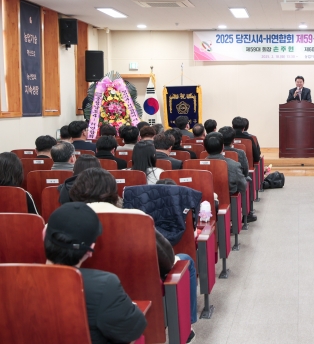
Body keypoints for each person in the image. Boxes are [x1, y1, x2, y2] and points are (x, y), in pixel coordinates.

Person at [69, 168, 198, 340]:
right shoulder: (137, 218)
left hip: (81, 294)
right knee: (185, 261)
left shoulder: (63, 222)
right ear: (112, 191)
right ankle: (186, 327)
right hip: (142, 288)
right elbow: (167, 259)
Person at [44, 202, 147, 344]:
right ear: (90, 250)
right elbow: (133, 330)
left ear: (43, 235)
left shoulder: (12, 281)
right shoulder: (104, 286)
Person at [205, 132, 248, 197]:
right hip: (230, 200)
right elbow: (243, 187)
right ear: (223, 147)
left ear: (205, 148)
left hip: (205, 200)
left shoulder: (195, 166)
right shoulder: (234, 165)